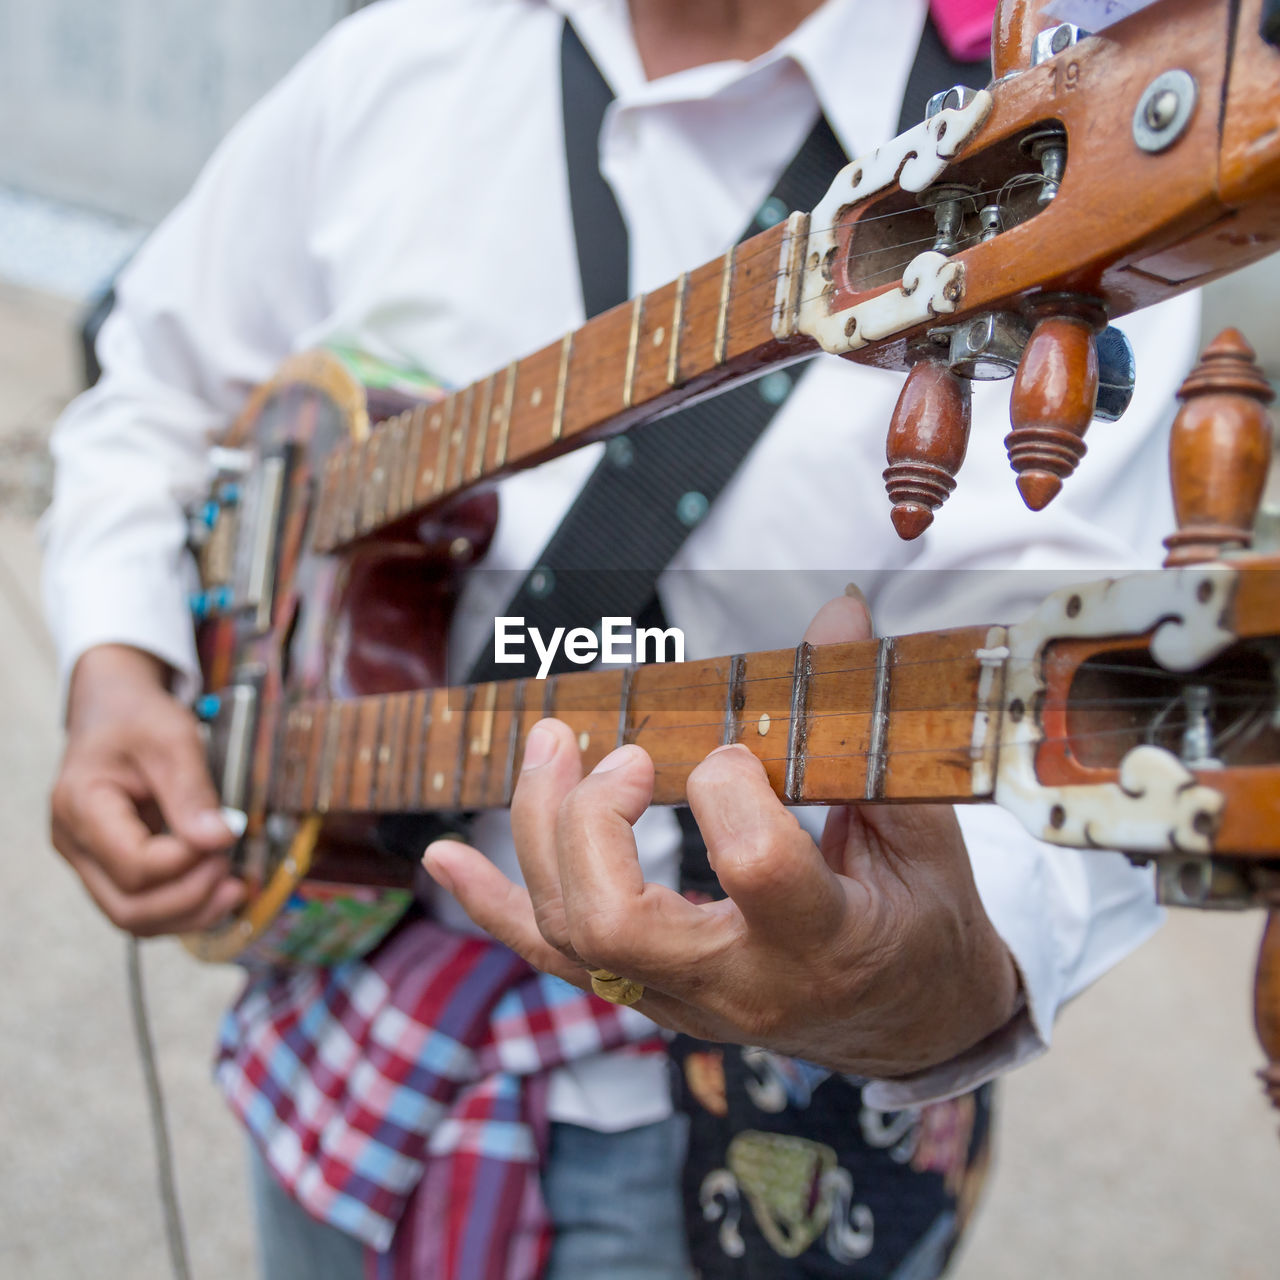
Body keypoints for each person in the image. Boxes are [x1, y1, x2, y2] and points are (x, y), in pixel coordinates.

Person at [42, 0, 1199, 1276]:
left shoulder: (1071, 137)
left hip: (752, 1137)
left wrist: (940, 974)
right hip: (347, 1038)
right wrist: (118, 667)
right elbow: (144, 393)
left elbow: (1060, 753)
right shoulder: (405, 59)